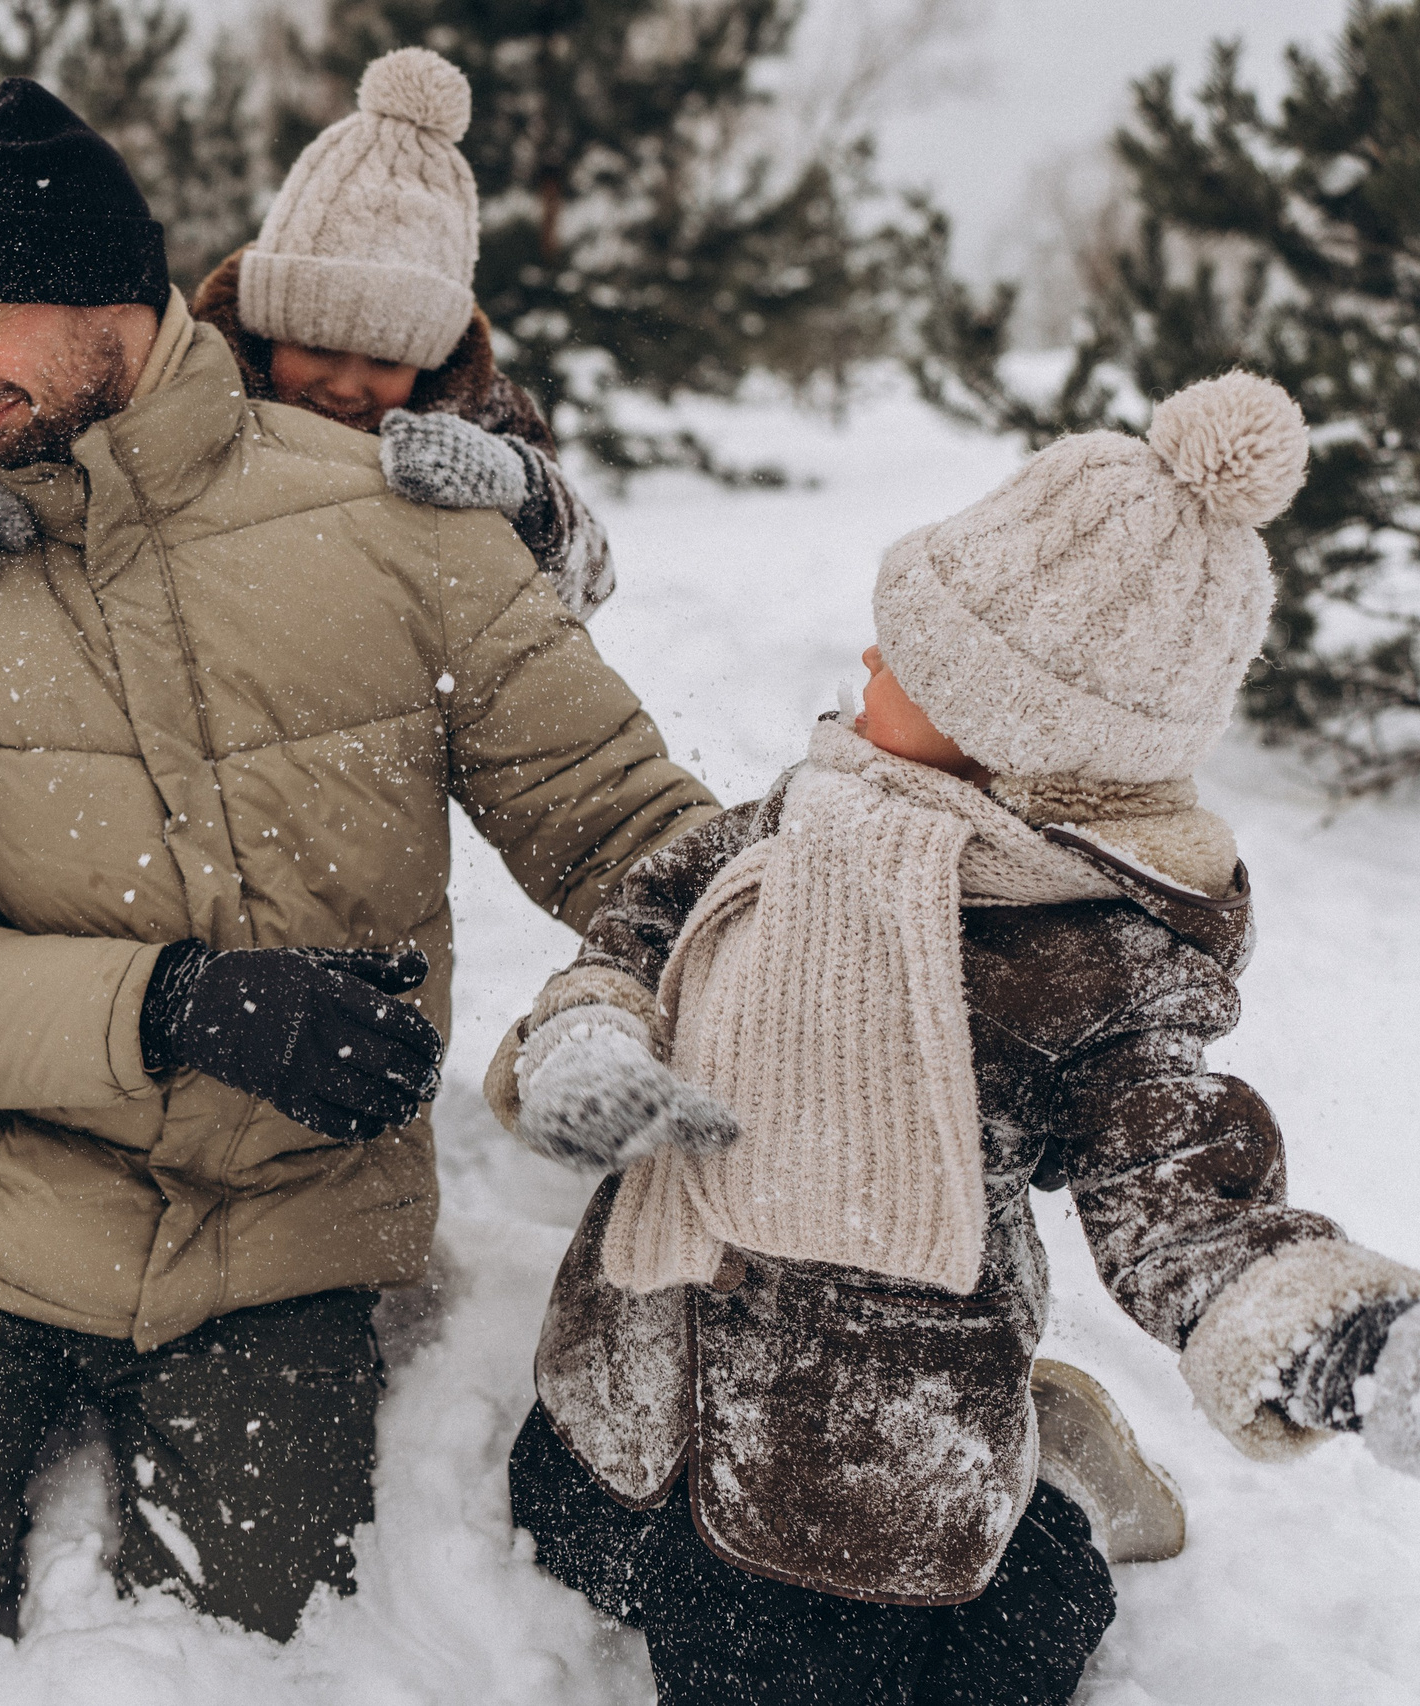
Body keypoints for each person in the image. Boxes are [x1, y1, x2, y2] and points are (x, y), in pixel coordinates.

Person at [0, 74, 717, 1705]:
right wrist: (170, 1004)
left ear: (112, 296)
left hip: (280, 1226)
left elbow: (629, 828)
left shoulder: (402, 523)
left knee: (257, 1661)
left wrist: (838, 937)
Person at [490, 371, 1420, 1704]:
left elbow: (1179, 1195)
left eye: (912, 663)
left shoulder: (1087, 962)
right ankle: (1012, 1443)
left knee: (927, 1666)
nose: (867, 663)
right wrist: (586, 1031)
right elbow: (639, 922)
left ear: (1011, 744)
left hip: (862, 1461)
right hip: (630, 1380)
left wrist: (1337, 1335)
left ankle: (1048, 1510)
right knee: (571, 1534)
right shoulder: (793, 815)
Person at [0, 47, 613, 625]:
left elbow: (584, 588)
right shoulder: (209, 390)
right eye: (317, 346)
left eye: (387, 360)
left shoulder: (473, 415)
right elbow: (52, 414)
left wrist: (524, 492)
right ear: (263, 329)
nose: (348, 385)